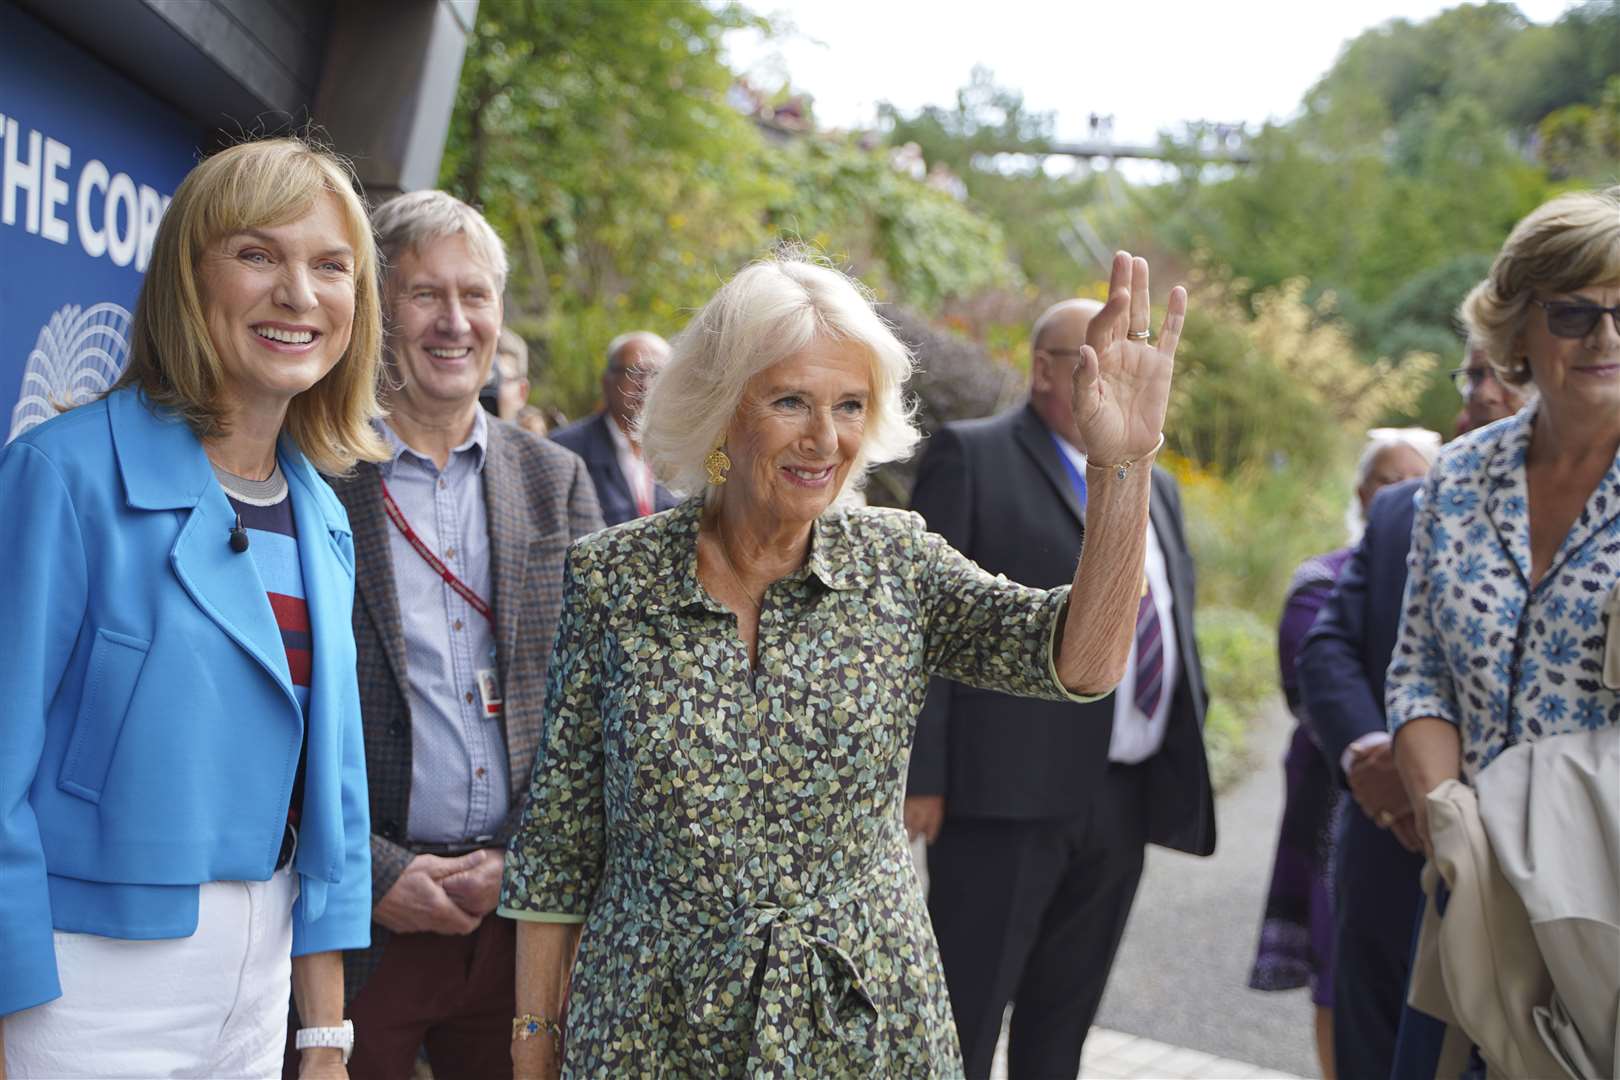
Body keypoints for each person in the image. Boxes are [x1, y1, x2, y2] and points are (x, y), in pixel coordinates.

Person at [499, 250, 1186, 1077]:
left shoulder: (897, 563)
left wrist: (1121, 467)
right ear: (720, 410)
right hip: (654, 1023)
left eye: (850, 405)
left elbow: (1082, 662)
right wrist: (535, 1037)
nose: (825, 439)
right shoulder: (614, 579)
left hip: (863, 1022)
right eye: (791, 400)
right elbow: (561, 837)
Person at [0, 137, 379, 1078]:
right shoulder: (62, 473)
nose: (300, 293)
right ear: (187, 277)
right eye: (258, 254)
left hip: (258, 985)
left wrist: (326, 1034)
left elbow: (333, 788)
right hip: (79, 980)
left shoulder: (323, 512)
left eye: (332, 265)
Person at [285, 190, 600, 1079]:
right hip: (355, 921)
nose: (455, 322)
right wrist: (380, 874)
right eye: (425, 295)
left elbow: (587, 709)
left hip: (515, 924)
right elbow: (278, 710)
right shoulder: (306, 468)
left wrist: (526, 861)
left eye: (476, 296)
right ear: (381, 311)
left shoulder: (556, 481)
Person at [903, 298, 1216, 1079]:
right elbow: (926, 629)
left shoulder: (1158, 482)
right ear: (1046, 367)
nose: (1117, 365)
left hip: (1122, 794)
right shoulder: (972, 456)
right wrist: (925, 776)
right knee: (963, 1015)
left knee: (1064, 1020)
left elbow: (1170, 615)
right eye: (1094, 350)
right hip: (1003, 796)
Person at [1387, 186, 1620, 1068]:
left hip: (1603, 901)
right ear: (1516, 330)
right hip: (1469, 888)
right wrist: (1452, 823)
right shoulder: (1458, 475)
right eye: (1574, 313)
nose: (1606, 338)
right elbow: (1419, 670)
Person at [1298, 344, 1528, 1080]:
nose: (1487, 392)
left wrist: (1433, 782)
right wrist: (1376, 760)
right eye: (1474, 374)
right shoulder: (1403, 509)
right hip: (1387, 856)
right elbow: (1327, 647)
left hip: (1529, 876)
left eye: (1508, 371)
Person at [1248, 428, 1435, 1080]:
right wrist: (1382, 764)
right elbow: (1314, 663)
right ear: (1363, 491)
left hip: (1434, 807)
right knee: (1342, 975)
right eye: (1389, 477)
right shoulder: (1324, 577)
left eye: (1417, 474)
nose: (1403, 488)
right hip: (1346, 800)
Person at [550, 331, 680, 526]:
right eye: (634, 372)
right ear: (606, 381)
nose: (645, 384)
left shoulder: (682, 449)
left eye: (656, 374)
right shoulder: (564, 450)